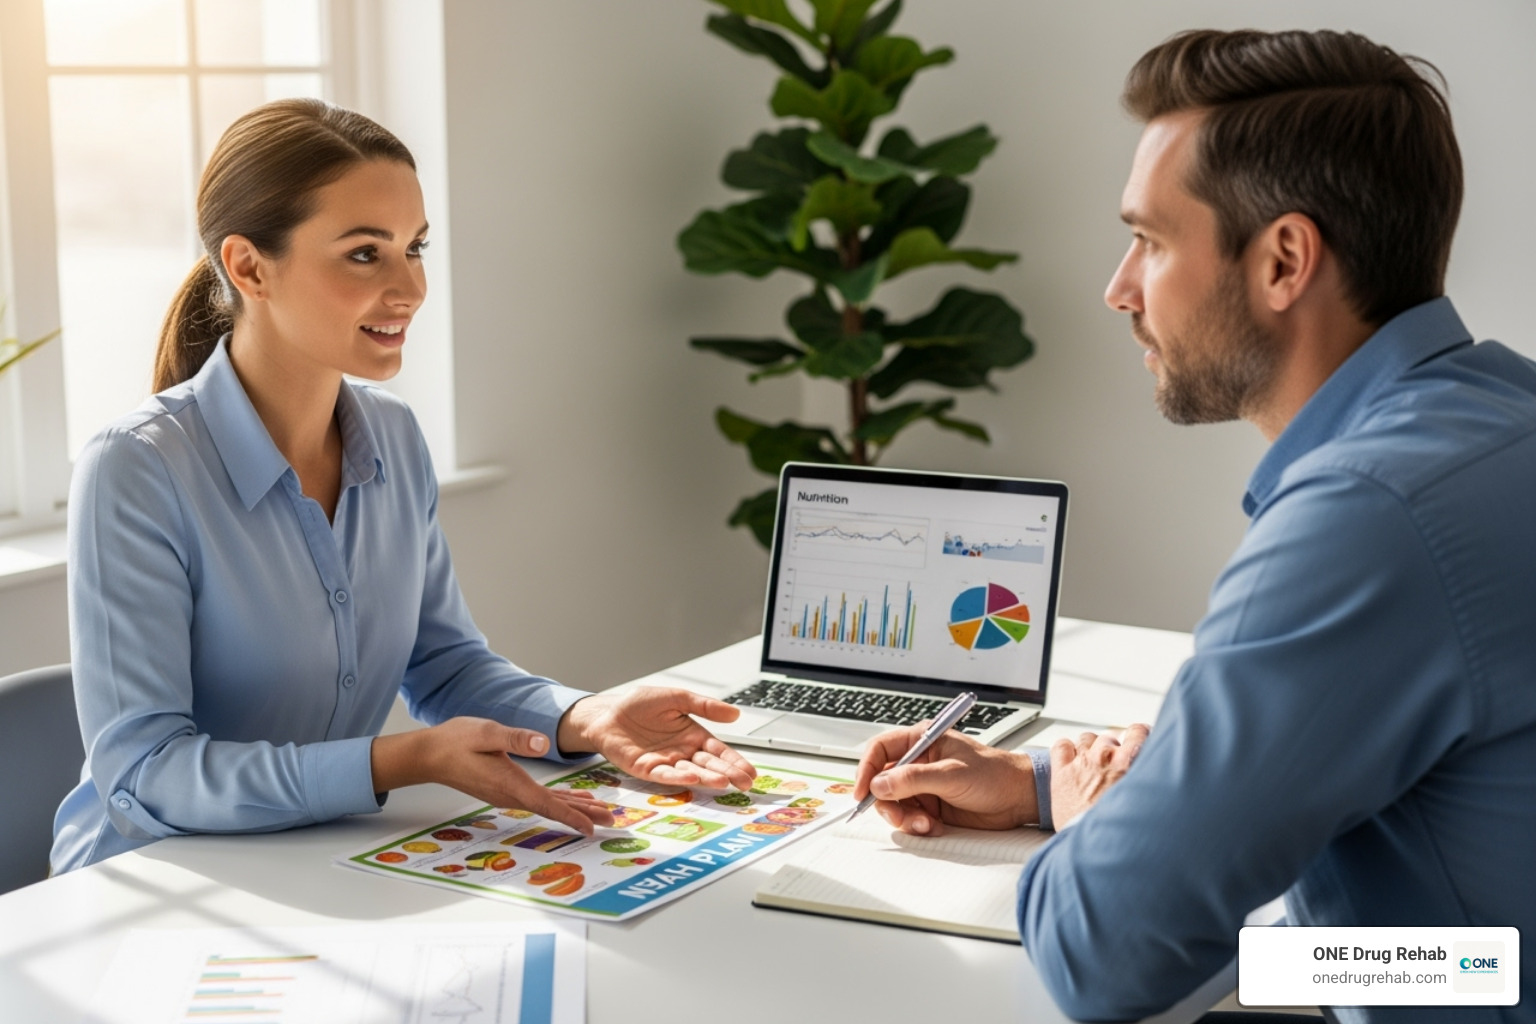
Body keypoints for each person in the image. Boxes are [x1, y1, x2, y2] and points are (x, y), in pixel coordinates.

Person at [854, 29, 1536, 1024]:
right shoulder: (1502, 419)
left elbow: (1107, 959)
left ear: (1284, 260)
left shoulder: (1368, 519)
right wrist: (1055, 783)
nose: (1120, 286)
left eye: (1153, 240)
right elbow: (1465, 942)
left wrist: (1096, 826)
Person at [51, 99, 755, 874]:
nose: (409, 288)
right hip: (151, 879)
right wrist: (396, 761)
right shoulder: (137, 469)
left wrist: (586, 717)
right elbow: (144, 773)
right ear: (250, 266)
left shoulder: (392, 436)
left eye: (414, 248)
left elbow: (446, 667)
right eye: (364, 254)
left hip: (319, 861)